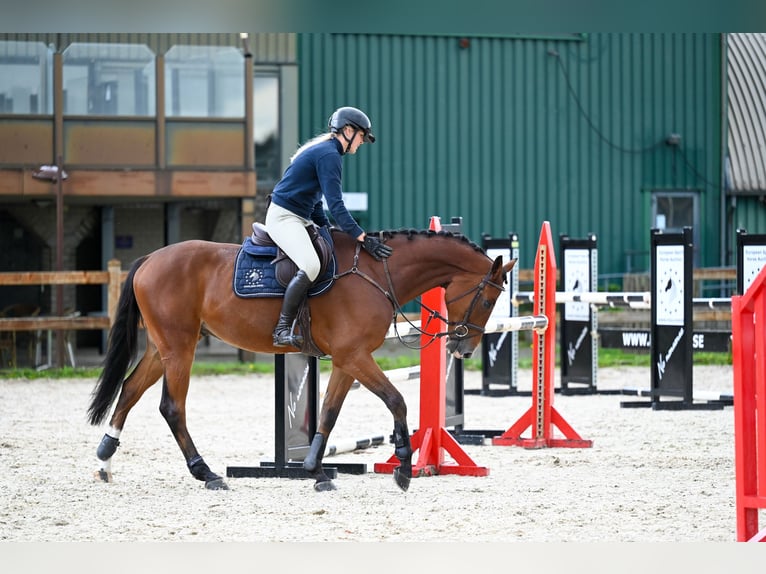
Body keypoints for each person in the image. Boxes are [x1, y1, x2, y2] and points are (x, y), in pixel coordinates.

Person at [266, 106, 393, 348]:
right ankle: (282, 329)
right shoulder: (329, 155)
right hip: (283, 217)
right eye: (361, 137)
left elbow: (314, 200)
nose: (362, 143)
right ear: (347, 131)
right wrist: (361, 237)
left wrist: (327, 229)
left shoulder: (327, 153)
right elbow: (335, 205)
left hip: (300, 216)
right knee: (311, 265)